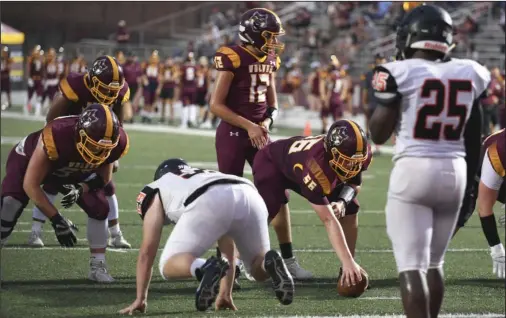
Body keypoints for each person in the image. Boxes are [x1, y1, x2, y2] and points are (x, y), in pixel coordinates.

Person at [368, 4, 488, 318]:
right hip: (455, 171)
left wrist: (386, 100)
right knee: (435, 264)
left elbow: (378, 134)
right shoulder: (470, 71)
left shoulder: (397, 71)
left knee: (411, 267)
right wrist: (472, 183)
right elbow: (475, 131)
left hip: (415, 169)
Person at [210, 7, 312, 280]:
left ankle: (288, 259)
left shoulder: (270, 60)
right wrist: (249, 126)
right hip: (233, 133)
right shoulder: (231, 57)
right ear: (254, 34)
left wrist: (264, 125)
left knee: (278, 195)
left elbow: (273, 104)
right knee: (230, 199)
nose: (275, 42)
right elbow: (216, 105)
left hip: (260, 134)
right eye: (270, 35)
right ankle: (228, 263)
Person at [119, 158, 294, 314]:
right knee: (258, 270)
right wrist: (225, 294)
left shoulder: (158, 186)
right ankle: (269, 261)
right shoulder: (201, 175)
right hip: (248, 192)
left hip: (209, 196)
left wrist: (140, 298)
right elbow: (228, 251)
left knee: (167, 265)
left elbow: (147, 251)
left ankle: (203, 267)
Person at [1, 104, 130, 282]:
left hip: (71, 168)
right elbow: (31, 184)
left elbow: (104, 178)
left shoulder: (114, 142)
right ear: (81, 134)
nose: (99, 154)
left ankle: (97, 266)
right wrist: (57, 220)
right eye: (94, 146)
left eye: (105, 150)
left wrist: (81, 189)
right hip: (32, 160)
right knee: (10, 203)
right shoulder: (58, 134)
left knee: (99, 206)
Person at [27, 55, 131, 250]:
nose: (109, 93)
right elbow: (52, 117)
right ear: (92, 81)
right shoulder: (76, 85)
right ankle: (35, 230)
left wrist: (113, 153)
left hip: (96, 143)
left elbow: (119, 124)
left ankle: (116, 234)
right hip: (69, 137)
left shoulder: (118, 91)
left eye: (113, 90)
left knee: (106, 185)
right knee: (51, 181)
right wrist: (49, 142)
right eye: (105, 87)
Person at [252, 119, 369, 287]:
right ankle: (235, 260)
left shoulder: (358, 153)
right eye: (346, 160)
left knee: (351, 207)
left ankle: (346, 270)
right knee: (268, 211)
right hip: (272, 163)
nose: (352, 166)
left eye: (356, 161)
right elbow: (328, 220)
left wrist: (342, 202)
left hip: (298, 164)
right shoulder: (316, 167)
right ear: (332, 152)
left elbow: (355, 182)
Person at [454, 129, 505, 278]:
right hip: (476, 170)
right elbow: (485, 207)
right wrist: (496, 248)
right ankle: (428, 259)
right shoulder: (499, 151)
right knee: (463, 211)